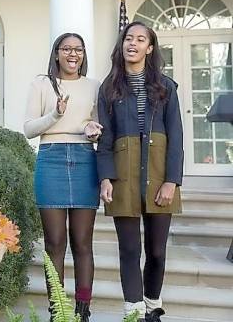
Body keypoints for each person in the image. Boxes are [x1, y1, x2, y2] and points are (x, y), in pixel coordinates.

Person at [97, 21, 183, 322]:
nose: (132, 43)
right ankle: (133, 312)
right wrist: (105, 177)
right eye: (128, 38)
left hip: (160, 174)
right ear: (122, 45)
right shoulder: (108, 88)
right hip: (124, 176)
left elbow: (176, 136)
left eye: (140, 39)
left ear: (150, 47)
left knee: (157, 251)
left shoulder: (167, 87)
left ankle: (151, 306)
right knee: (129, 250)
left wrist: (172, 180)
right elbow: (105, 137)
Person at [23, 33, 102, 322]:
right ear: (56, 53)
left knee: (82, 242)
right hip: (51, 158)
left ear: (83, 54)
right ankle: (58, 311)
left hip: (84, 159)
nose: (73, 54)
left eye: (78, 49)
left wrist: (92, 128)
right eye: (66, 49)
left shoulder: (94, 86)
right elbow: (29, 128)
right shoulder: (41, 84)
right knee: (55, 242)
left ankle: (82, 312)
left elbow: (93, 122)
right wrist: (55, 114)